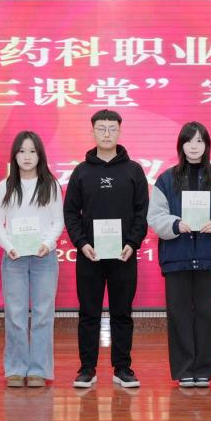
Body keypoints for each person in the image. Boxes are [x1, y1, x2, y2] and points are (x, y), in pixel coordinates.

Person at [147, 122, 211, 388]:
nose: (194, 146)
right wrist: (175, 224)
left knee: (206, 314)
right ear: (181, 145)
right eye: (189, 141)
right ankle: (185, 369)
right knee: (179, 314)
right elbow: (155, 217)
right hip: (177, 257)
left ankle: (204, 370)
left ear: (207, 145)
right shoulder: (166, 179)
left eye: (199, 141)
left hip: (208, 257)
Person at [64, 109, 149, 389]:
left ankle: (122, 368)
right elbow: (70, 212)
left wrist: (132, 243)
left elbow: (142, 212)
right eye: (101, 128)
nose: (107, 133)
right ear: (92, 132)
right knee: (88, 313)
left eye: (112, 128)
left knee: (122, 313)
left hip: (124, 255)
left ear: (120, 131)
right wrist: (82, 243)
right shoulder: (81, 171)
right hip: (90, 255)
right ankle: (87, 368)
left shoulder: (134, 170)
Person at [0, 131, 64, 388]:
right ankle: (15, 368)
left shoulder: (50, 185)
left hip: (44, 257)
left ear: (40, 155)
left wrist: (47, 244)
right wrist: (9, 246)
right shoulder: (5, 186)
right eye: (21, 151)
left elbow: (58, 221)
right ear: (14, 155)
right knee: (15, 314)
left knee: (43, 314)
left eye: (32, 151)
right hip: (14, 258)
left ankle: (38, 370)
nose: (27, 156)